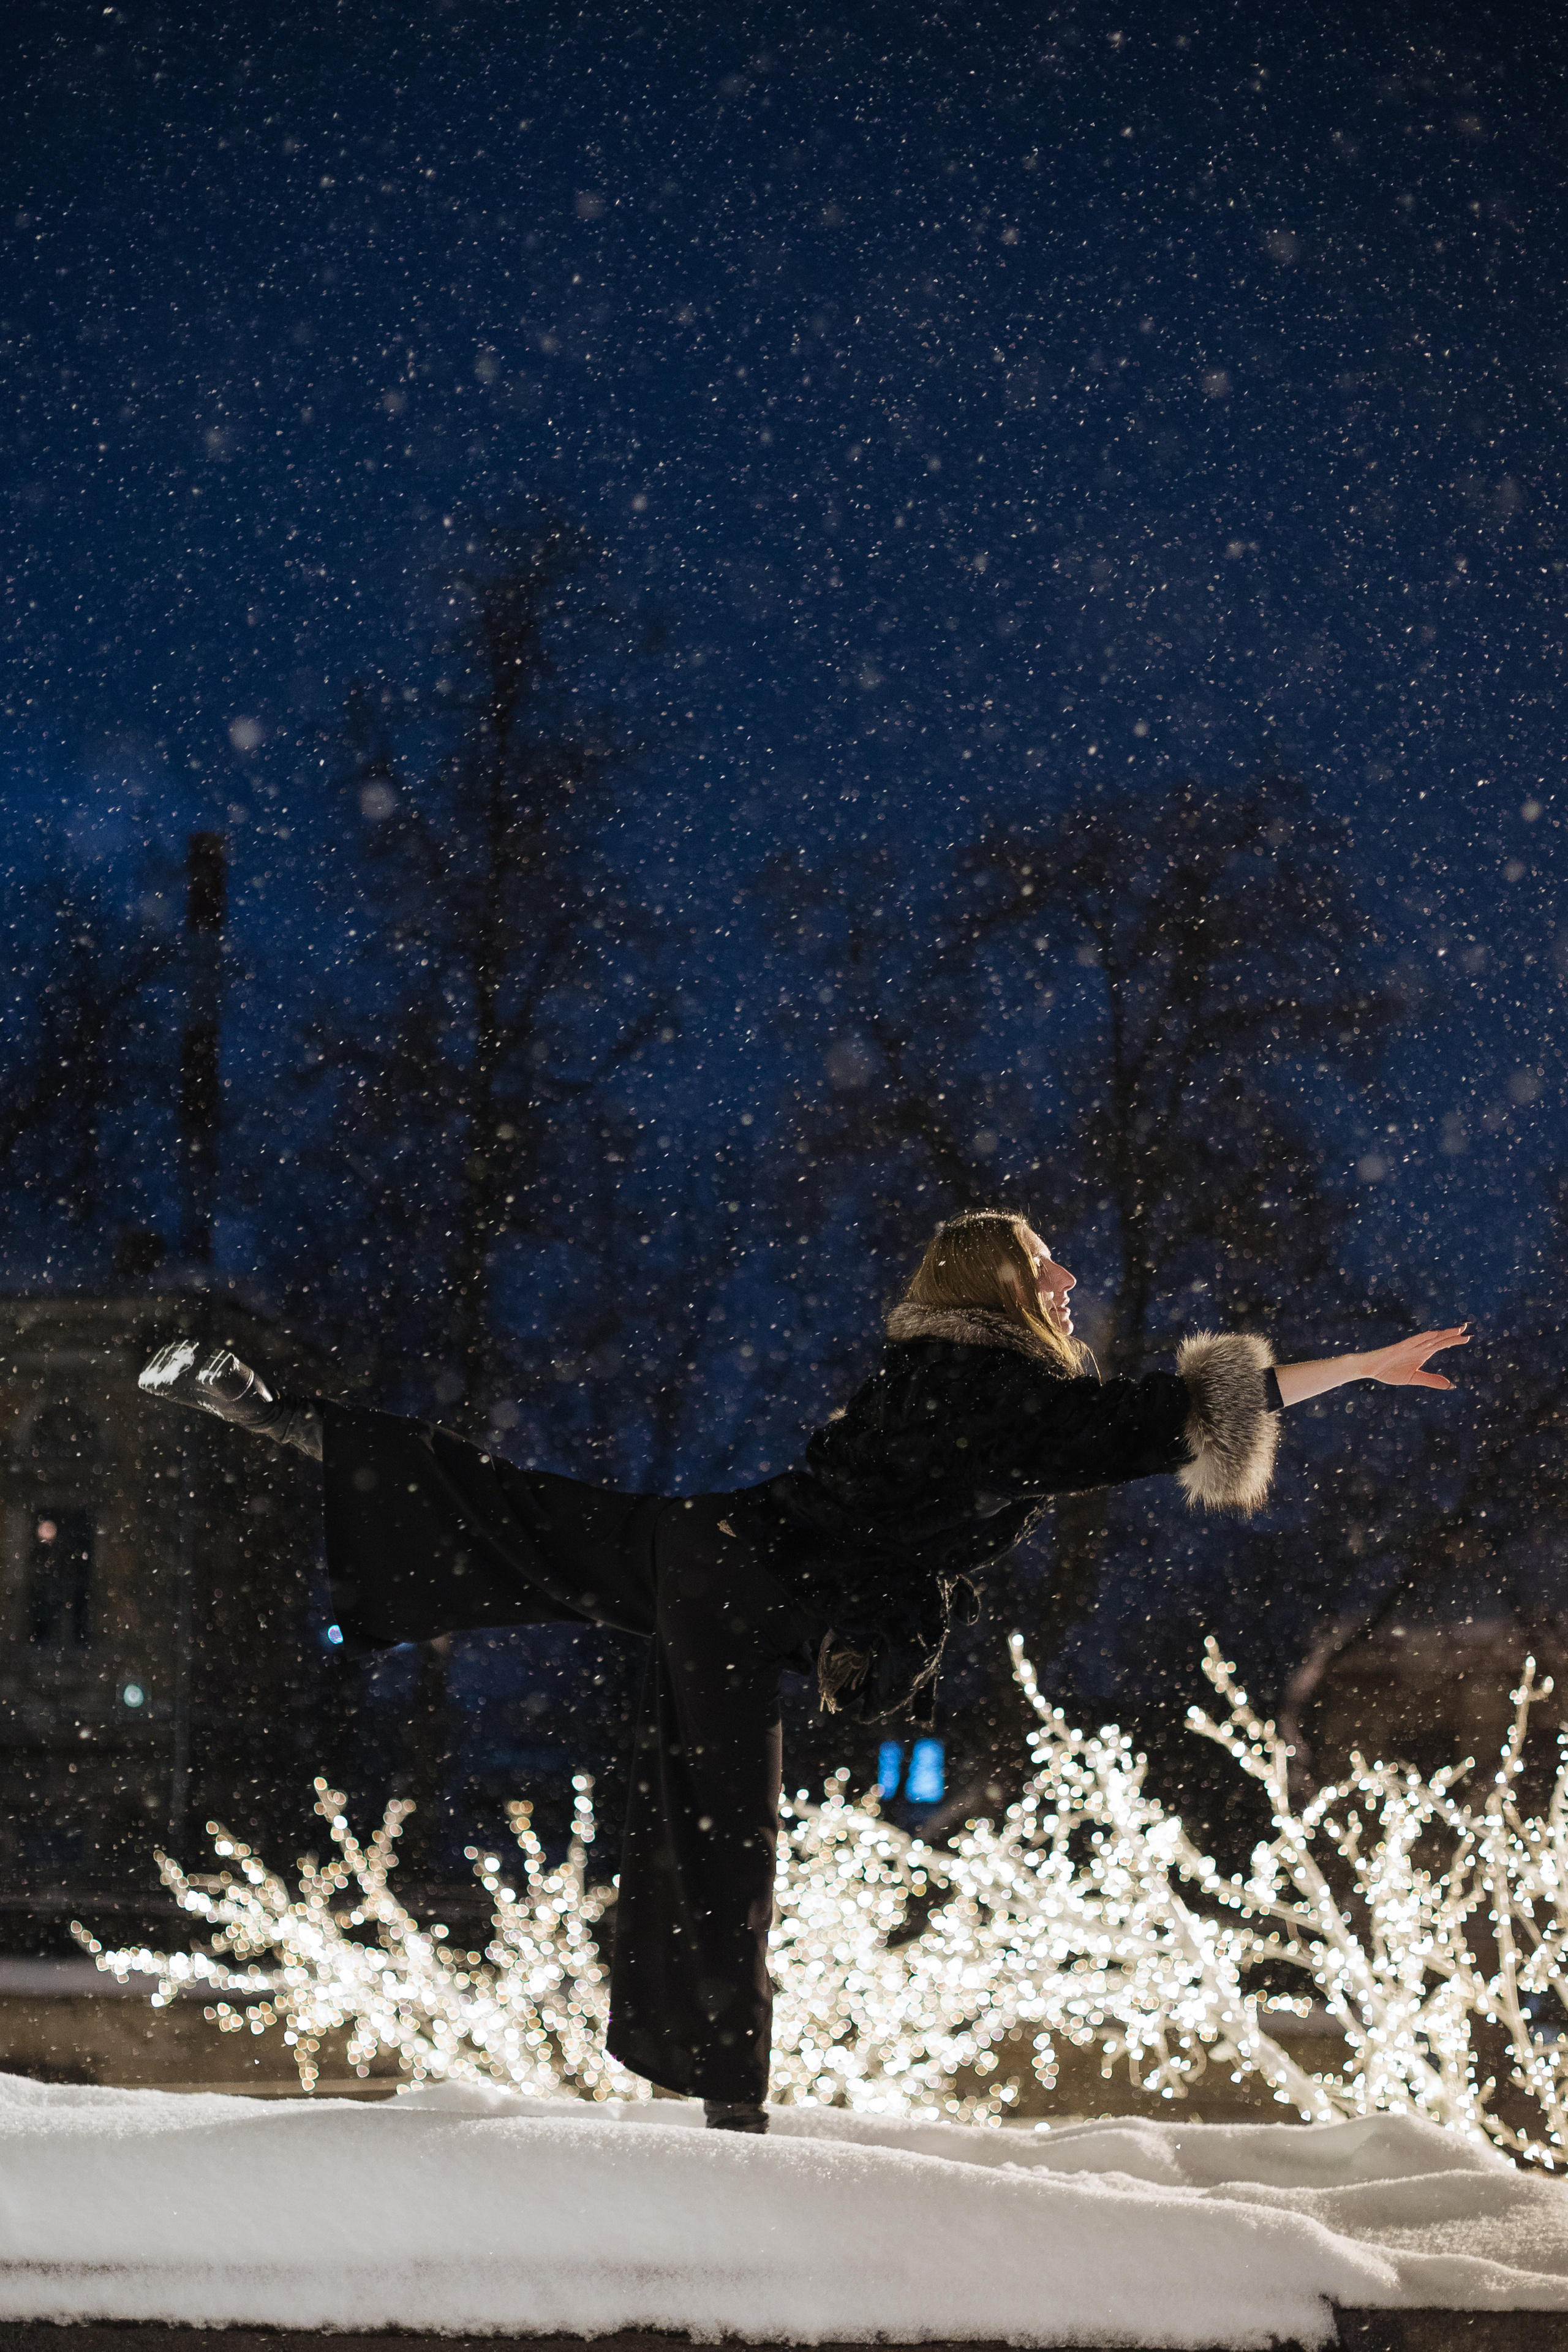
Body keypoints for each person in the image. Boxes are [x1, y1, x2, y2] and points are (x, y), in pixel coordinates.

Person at [137, 1207, 1466, 2130]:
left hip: (710, 1551)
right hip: (743, 1579)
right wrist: (1360, 1365)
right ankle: (725, 2082)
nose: (1068, 1285)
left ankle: (267, 1412)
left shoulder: (931, 1381)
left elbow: (1089, 1439)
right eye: (1047, 1269)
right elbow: (1177, 1416)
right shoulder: (991, 1395)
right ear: (998, 1284)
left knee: (507, 1519)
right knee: (718, 1811)